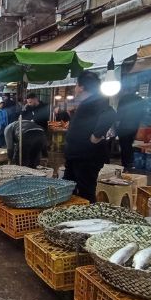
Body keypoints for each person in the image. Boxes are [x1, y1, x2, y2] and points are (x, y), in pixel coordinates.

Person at [63, 71, 116, 203]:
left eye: (76, 84)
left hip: (87, 157)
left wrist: (96, 136)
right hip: (75, 156)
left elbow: (110, 113)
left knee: (86, 191)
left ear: (81, 87)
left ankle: (87, 220)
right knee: (68, 188)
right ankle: (72, 216)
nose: (75, 88)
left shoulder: (97, 101)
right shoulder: (88, 102)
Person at [116, 91, 146, 169]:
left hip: (124, 126)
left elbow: (120, 113)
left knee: (124, 145)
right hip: (135, 126)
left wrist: (116, 126)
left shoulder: (123, 99)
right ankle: (130, 162)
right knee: (129, 145)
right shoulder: (139, 99)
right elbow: (142, 113)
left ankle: (125, 164)